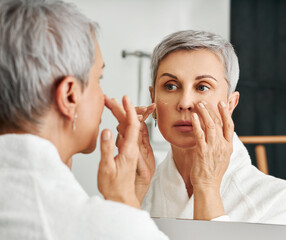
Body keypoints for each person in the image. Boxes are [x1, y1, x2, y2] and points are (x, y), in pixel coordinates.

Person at [0, 0, 168, 239]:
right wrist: (124, 206)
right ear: (69, 95)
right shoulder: (103, 226)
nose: (104, 97)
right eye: (99, 79)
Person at [130, 30, 286, 226]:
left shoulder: (280, 202)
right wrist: (134, 189)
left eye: (202, 87)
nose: (185, 102)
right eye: (171, 86)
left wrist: (207, 186)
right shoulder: (137, 190)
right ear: (153, 98)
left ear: (230, 104)